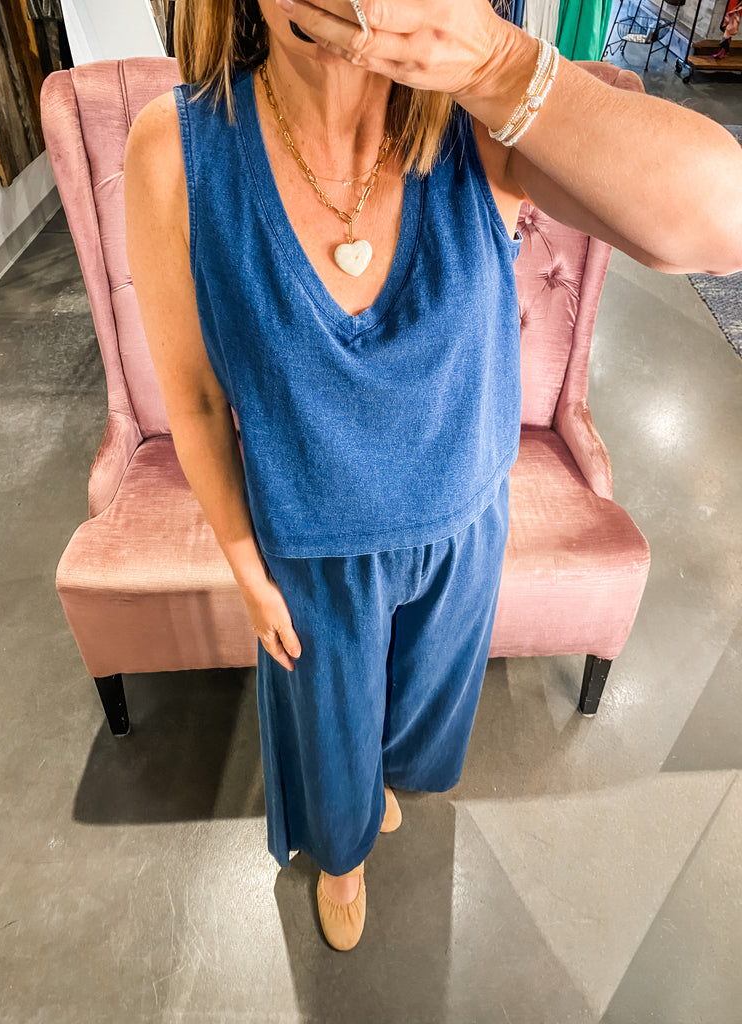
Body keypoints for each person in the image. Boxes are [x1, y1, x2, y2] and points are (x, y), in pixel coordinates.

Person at [124, 0, 742, 952]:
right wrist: (246, 566)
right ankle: (341, 855)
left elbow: (720, 220)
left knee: (413, 738)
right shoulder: (179, 150)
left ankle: (377, 787)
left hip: (464, 533)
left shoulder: (476, 126)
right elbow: (199, 403)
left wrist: (496, 63)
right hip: (313, 557)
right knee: (331, 754)